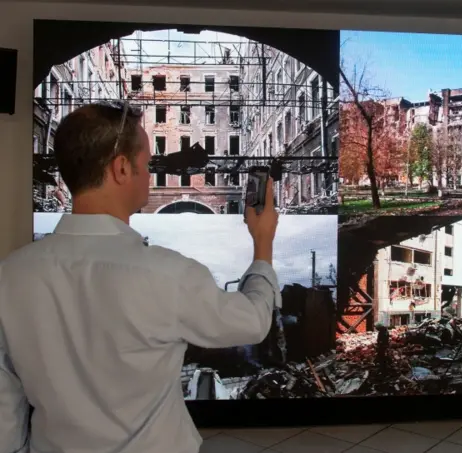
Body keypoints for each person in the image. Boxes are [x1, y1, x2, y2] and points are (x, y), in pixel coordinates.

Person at [0, 101, 280, 453]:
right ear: (120, 168)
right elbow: (253, 321)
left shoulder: (9, 277)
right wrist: (263, 242)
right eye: (147, 164)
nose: (150, 174)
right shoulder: (169, 274)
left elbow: (4, 414)